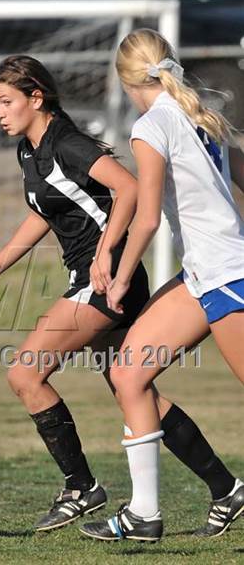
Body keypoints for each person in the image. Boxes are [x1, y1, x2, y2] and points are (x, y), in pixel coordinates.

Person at [0, 55, 241, 533]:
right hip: (92, 280)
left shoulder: (66, 143)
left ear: (37, 98)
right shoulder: (31, 151)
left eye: (6, 102)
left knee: (26, 373)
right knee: (131, 387)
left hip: (107, 283)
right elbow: (44, 212)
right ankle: (227, 489)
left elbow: (129, 189)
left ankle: (81, 488)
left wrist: (109, 255)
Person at [80, 28, 244, 543]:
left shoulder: (152, 125)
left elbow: (146, 218)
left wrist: (119, 274)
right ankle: (144, 514)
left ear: (128, 81)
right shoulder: (198, 115)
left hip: (228, 275)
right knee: (129, 373)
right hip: (204, 275)